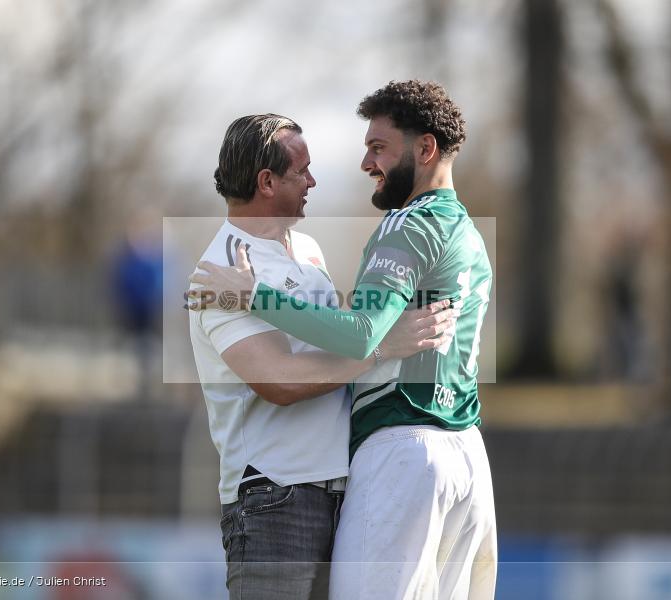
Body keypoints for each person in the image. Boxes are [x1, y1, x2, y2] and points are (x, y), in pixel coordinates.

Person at [190, 81, 496, 599]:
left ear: (424, 150)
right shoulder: (220, 273)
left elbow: (350, 337)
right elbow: (281, 381)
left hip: (365, 472)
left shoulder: (312, 249)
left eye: (377, 148)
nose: (316, 179)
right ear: (266, 181)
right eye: (301, 170)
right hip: (276, 494)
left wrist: (370, 341)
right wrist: (380, 346)